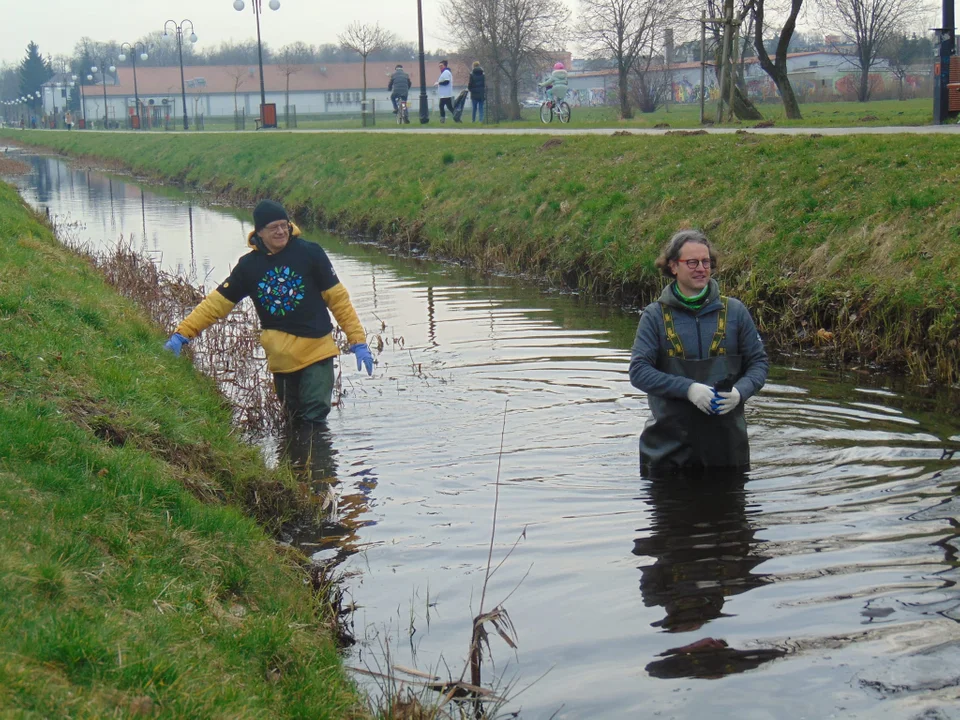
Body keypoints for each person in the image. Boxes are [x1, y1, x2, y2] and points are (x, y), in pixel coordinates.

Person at [164, 199, 374, 425]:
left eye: (284, 225)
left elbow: (338, 300)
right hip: (281, 359)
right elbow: (216, 304)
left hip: (317, 351)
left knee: (313, 419)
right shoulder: (249, 267)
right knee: (293, 421)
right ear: (259, 232)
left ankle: (319, 461)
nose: (282, 231)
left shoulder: (310, 254)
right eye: (274, 228)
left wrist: (357, 341)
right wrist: (183, 333)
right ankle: (295, 460)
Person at [628, 229, 768, 470]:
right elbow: (639, 371)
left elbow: (758, 364)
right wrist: (688, 389)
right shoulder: (654, 316)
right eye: (692, 262)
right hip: (668, 454)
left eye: (706, 262)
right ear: (673, 266)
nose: (701, 268)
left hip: (728, 452)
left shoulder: (735, 312)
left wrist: (740, 392)